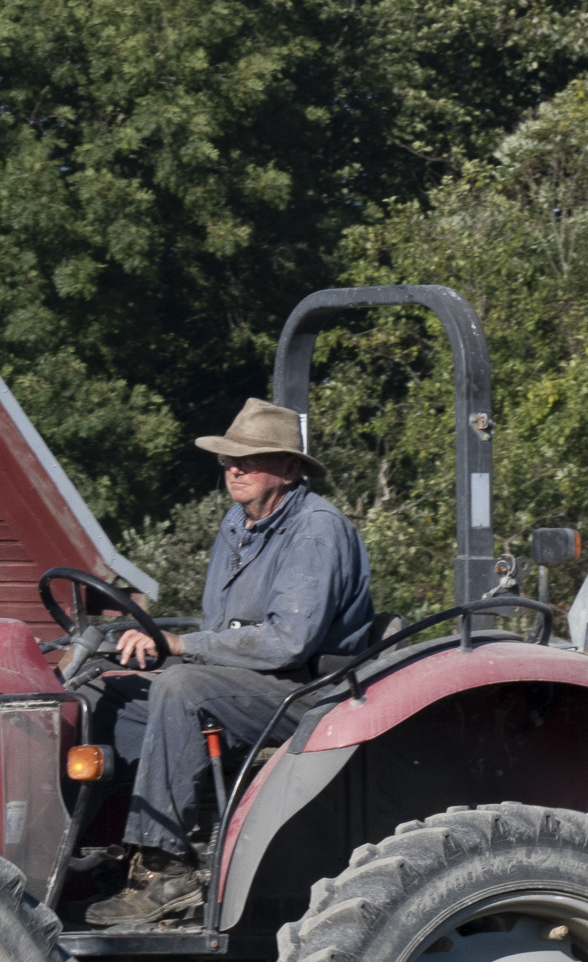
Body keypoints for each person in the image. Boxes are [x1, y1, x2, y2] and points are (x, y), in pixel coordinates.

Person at [85, 398, 375, 928]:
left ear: (289, 469)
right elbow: (221, 630)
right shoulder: (237, 525)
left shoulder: (316, 530)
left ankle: (168, 867)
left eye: (250, 459)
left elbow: (288, 643)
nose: (234, 470)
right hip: (245, 683)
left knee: (184, 688)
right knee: (107, 693)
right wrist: (153, 642)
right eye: (227, 460)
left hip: (308, 695)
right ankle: (107, 844)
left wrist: (182, 647)